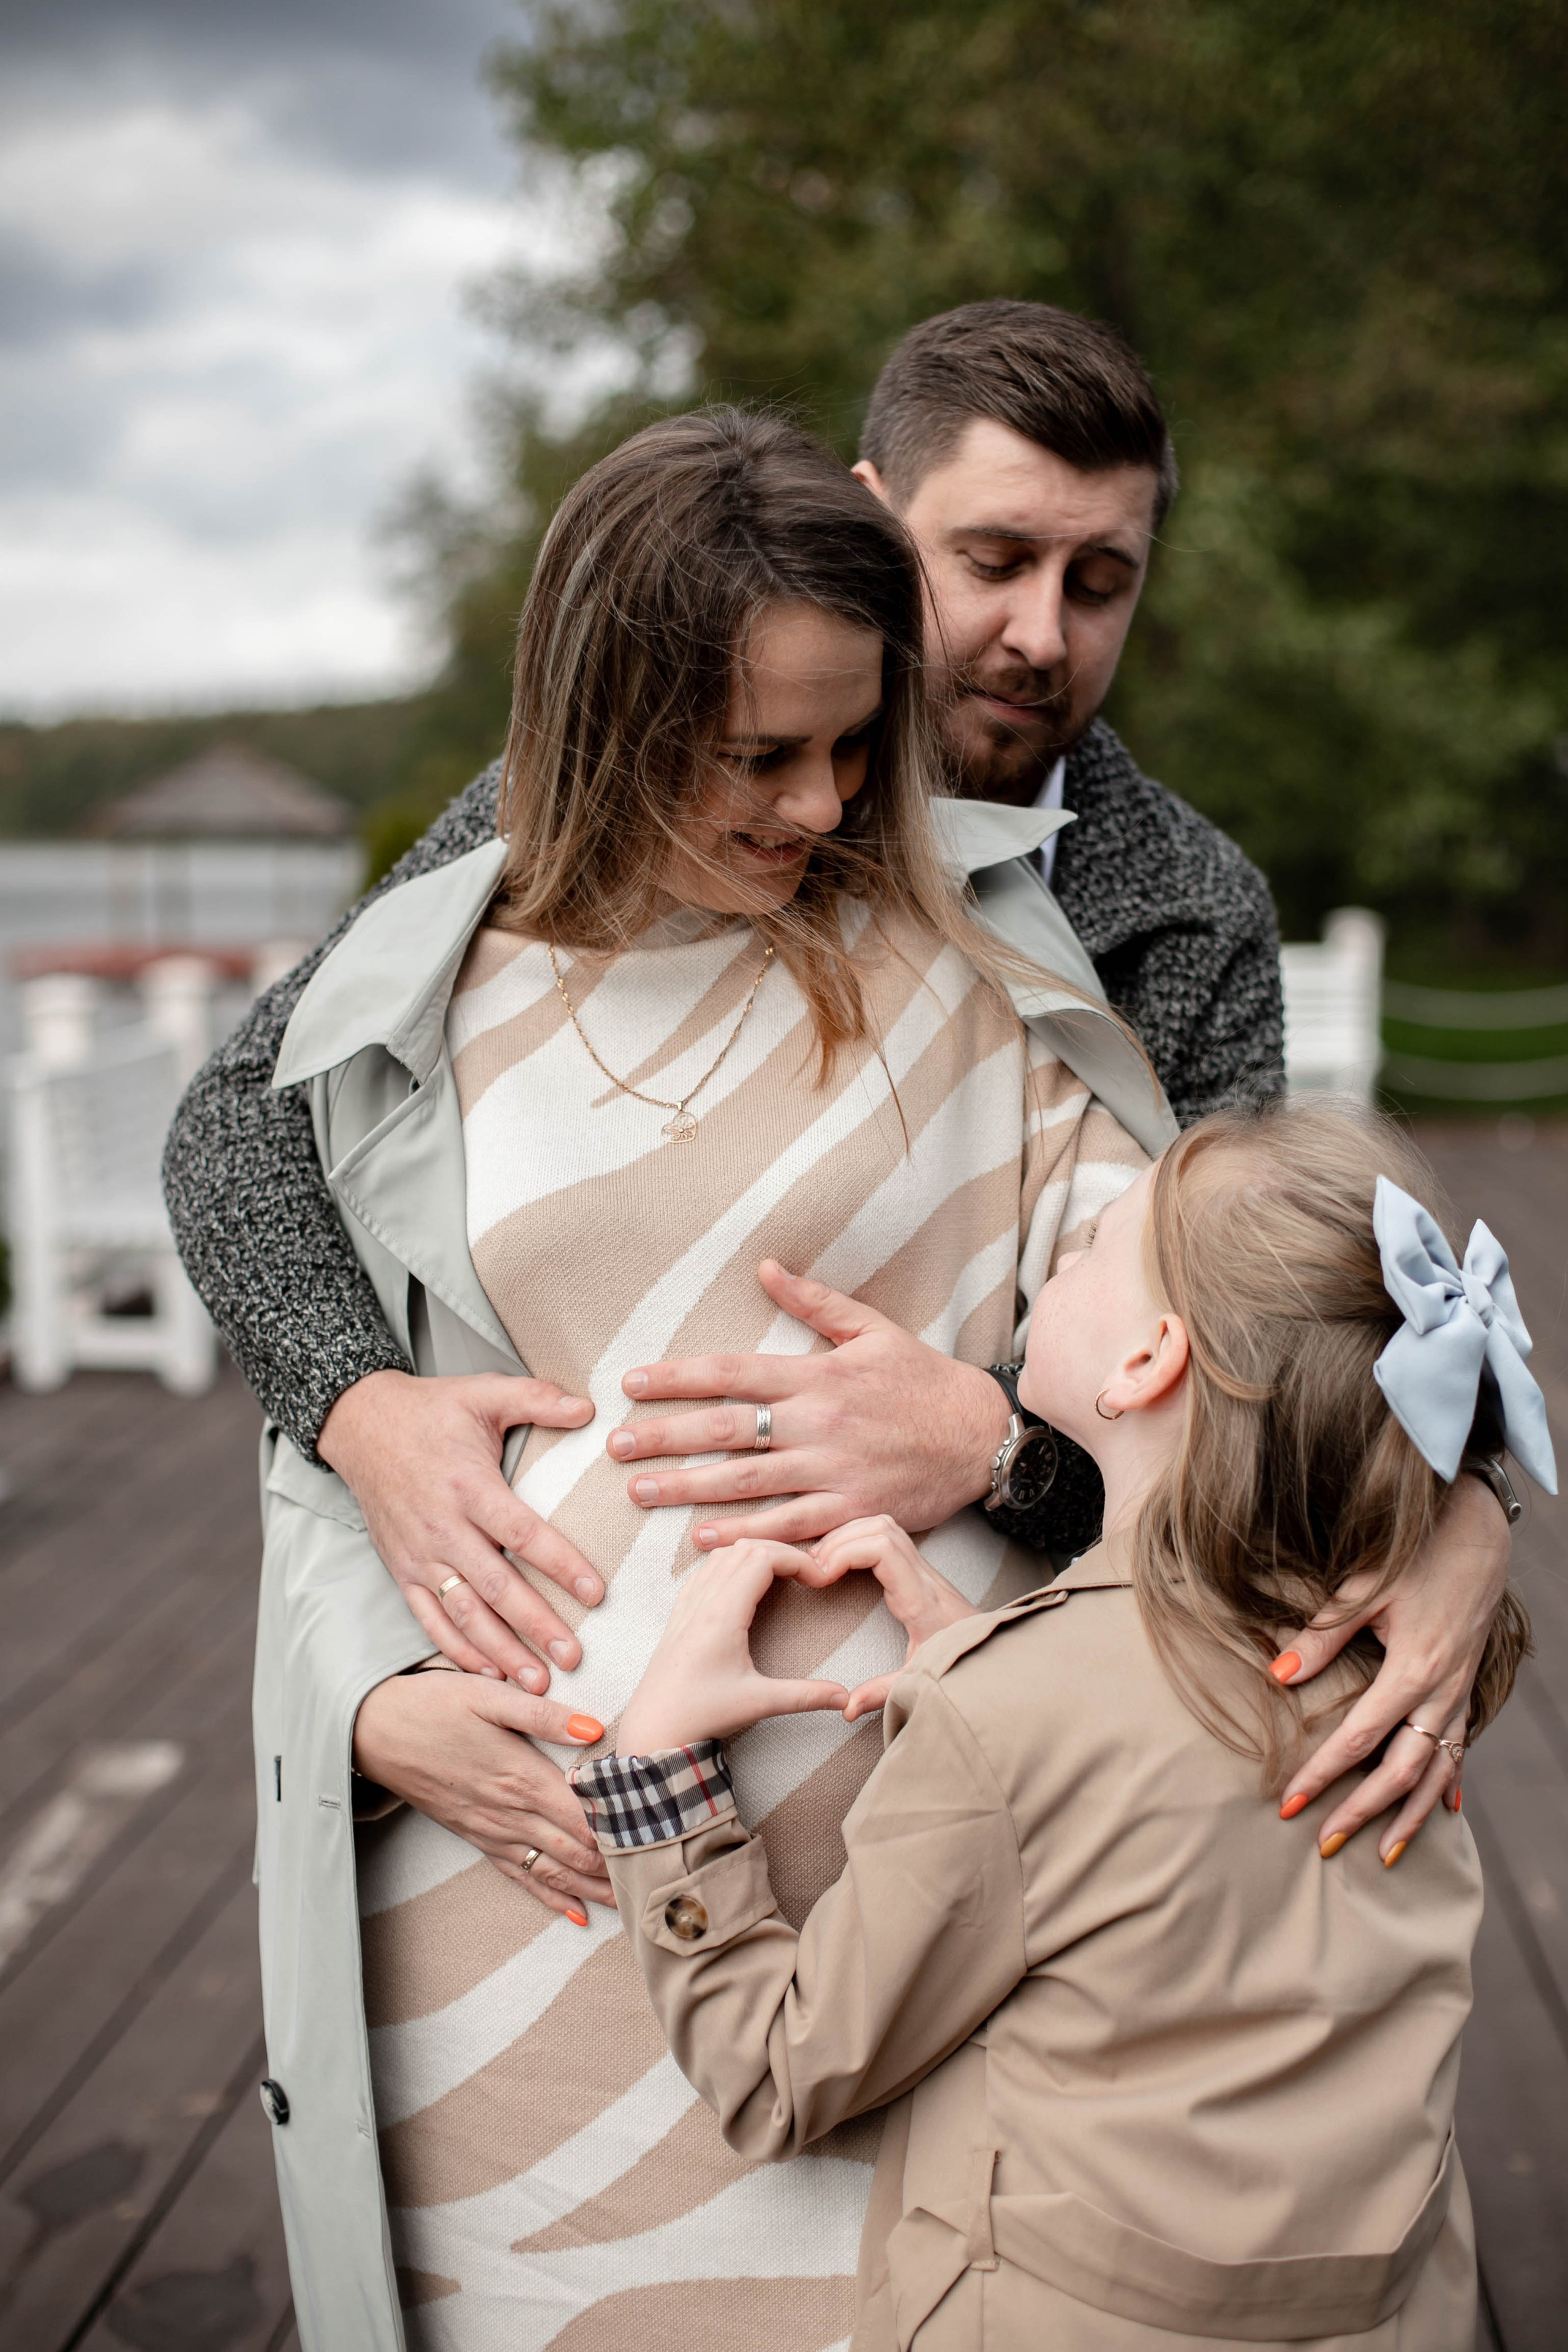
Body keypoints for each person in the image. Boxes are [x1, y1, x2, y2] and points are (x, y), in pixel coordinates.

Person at [165, 300, 1513, 1897]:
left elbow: (1264, 1333)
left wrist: (1451, 1513)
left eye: (1102, 582)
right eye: (993, 560)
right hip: (570, 1818)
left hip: (1003, 1771)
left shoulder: (1179, 905)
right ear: (875, 526)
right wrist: (363, 1414)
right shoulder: (641, 787)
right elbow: (251, 1116)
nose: (1041, 633)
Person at [254, 405, 1158, 2346]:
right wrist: (363, 1702)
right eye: (761, 755)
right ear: (598, 714)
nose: (826, 804)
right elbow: (314, 1446)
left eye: (857, 742)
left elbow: (1190, 1408)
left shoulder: (981, 976)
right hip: (513, 1907)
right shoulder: (404, 1011)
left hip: (908, 1921)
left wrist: (1003, 1444)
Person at [575, 1099, 1553, 2350]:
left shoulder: (1008, 1712)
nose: (1051, 1263)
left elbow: (777, 2075)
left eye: (1091, 1240)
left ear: (1148, 1357)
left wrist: (658, 1772)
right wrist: (990, 1675)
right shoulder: (1409, 1669)